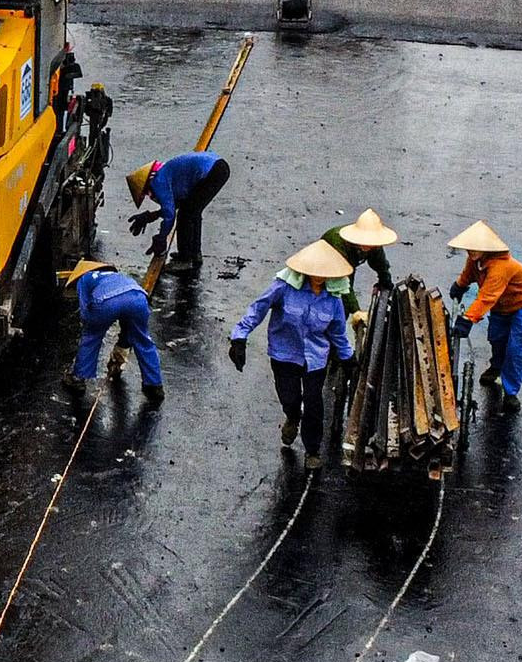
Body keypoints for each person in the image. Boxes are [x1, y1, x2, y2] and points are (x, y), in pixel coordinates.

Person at [229, 240, 356, 452]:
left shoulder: (333, 299)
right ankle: (292, 416)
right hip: (285, 354)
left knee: (314, 404)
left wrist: (347, 356)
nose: (319, 276)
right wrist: (240, 337)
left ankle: (313, 450)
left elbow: (337, 331)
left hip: (315, 357)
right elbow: (258, 308)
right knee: (290, 397)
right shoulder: (284, 287)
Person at [447, 220, 522, 413]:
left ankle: (511, 392)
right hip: (502, 304)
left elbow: (486, 297)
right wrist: (460, 284)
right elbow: (469, 274)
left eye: (475, 249)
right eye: (469, 249)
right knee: (497, 337)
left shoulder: (501, 267)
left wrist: (468, 319)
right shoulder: (475, 261)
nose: (471, 252)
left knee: (516, 348)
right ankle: (496, 366)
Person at [62, 258, 163, 402]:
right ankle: (154, 385)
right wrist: (123, 346)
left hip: (105, 301)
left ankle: (78, 378)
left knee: (91, 337)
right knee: (143, 340)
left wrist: (90, 324)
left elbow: (85, 310)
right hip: (138, 297)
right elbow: (128, 320)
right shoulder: (116, 276)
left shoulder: (84, 278)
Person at [125, 150, 230, 272]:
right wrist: (151, 216)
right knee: (192, 211)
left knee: (186, 215)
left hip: (212, 172)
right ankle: (194, 253)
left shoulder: (158, 182)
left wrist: (161, 238)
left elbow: (170, 215)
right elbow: (177, 203)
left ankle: (185, 259)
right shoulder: (165, 172)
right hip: (218, 167)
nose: (149, 196)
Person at [319, 209, 399, 314]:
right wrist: (357, 311)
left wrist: (386, 283)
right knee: (333, 305)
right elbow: (342, 282)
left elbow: (381, 264)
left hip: (348, 268)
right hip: (324, 269)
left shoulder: (373, 245)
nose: (369, 246)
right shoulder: (338, 244)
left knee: (345, 309)